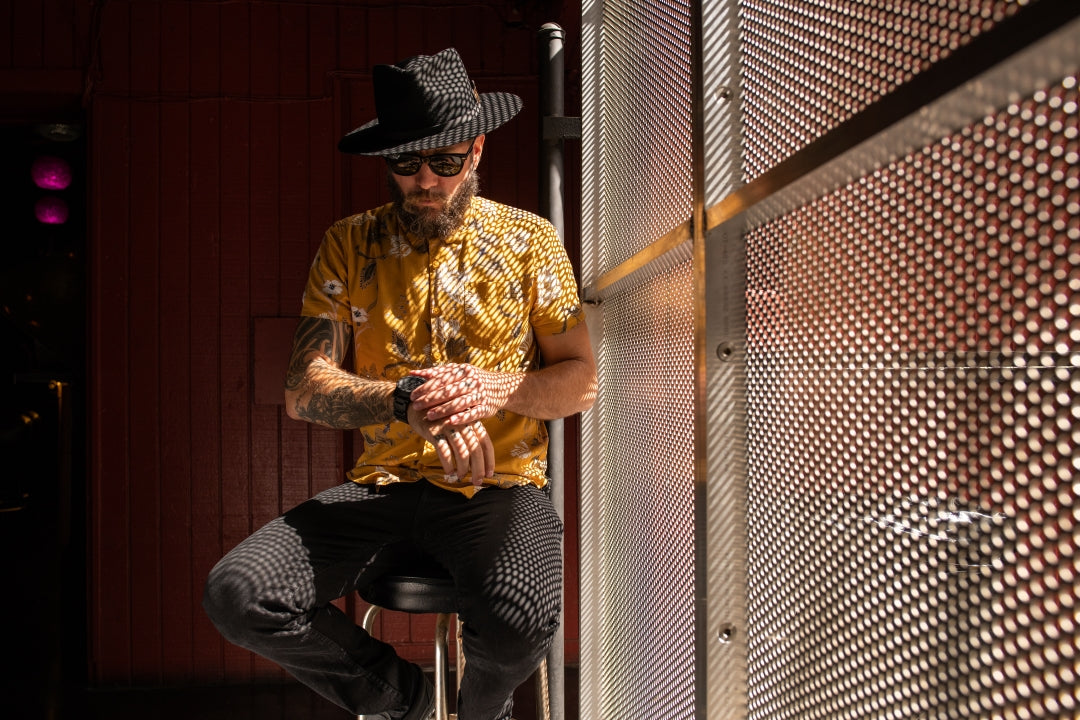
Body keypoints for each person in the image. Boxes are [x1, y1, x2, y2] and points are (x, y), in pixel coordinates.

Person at [203, 47, 596, 720]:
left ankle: (477, 714)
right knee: (239, 594)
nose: (426, 181)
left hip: (495, 483)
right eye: (406, 163)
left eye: (445, 161)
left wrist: (491, 390)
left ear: (475, 150)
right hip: (383, 481)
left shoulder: (530, 241)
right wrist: (400, 400)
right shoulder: (349, 243)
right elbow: (304, 385)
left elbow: (580, 380)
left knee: (522, 619)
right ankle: (407, 703)